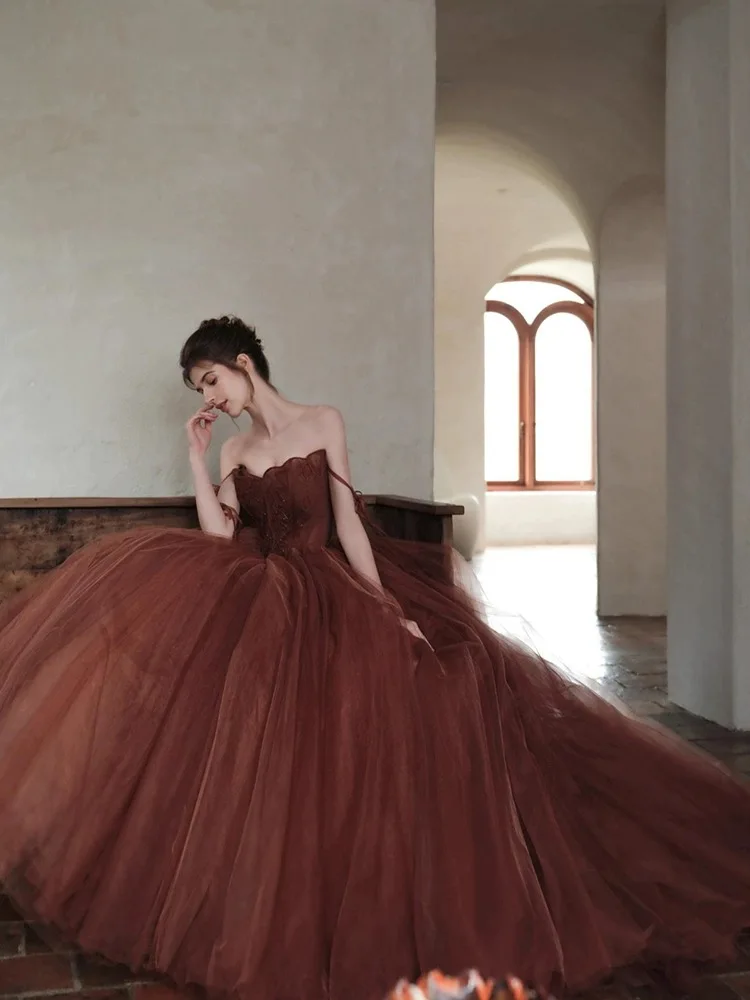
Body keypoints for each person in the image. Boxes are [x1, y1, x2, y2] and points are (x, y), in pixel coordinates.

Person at [0, 315, 749, 1000]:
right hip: (262, 599)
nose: (211, 398)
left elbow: (351, 525)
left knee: (415, 706)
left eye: (211, 382)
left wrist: (387, 606)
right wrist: (195, 459)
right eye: (201, 390)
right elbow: (220, 540)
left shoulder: (322, 421)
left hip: (331, 588)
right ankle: (286, 903)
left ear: (242, 364)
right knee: (276, 758)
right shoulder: (233, 447)